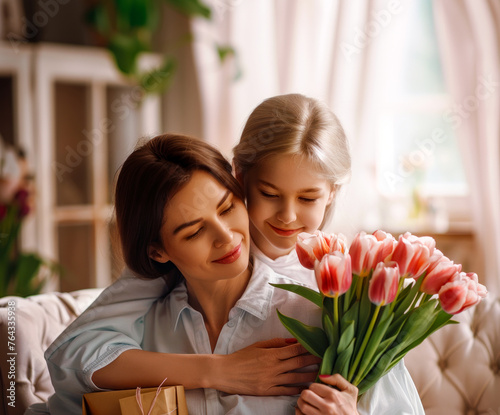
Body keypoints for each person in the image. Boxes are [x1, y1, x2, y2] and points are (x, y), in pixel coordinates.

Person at [32, 94, 424, 414]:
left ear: (332, 193)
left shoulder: (334, 307)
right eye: (269, 194)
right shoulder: (152, 294)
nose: (226, 239)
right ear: (240, 177)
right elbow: (70, 363)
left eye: (225, 209)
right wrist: (219, 371)